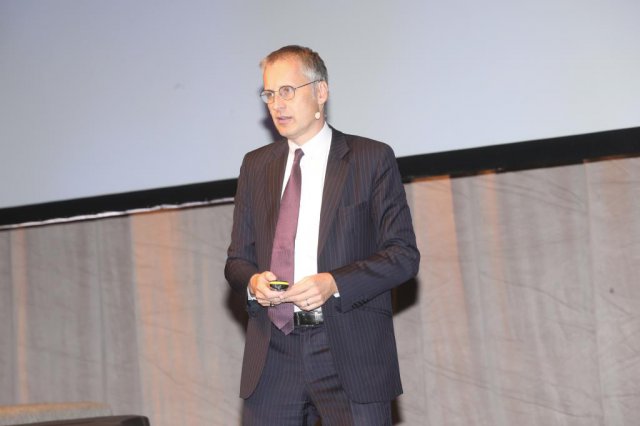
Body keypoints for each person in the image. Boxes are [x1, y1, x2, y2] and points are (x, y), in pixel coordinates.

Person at [225, 45, 420, 426]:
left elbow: (403, 255)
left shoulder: (370, 158)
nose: (277, 104)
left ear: (321, 92)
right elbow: (237, 260)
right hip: (273, 352)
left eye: (287, 91)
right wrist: (252, 282)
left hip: (346, 346)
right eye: (269, 94)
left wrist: (333, 282)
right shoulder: (256, 166)